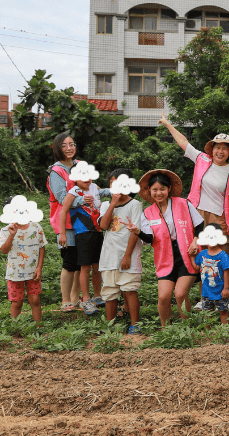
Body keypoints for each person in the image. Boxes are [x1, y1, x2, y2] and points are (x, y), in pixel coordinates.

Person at [134, 169, 204, 326]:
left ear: (169, 189)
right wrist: (137, 231)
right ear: (149, 191)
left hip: (187, 254)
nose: (159, 193)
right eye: (155, 190)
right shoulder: (147, 213)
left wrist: (195, 240)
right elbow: (149, 238)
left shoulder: (184, 203)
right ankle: (166, 329)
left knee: (180, 294)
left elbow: (200, 224)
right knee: (164, 297)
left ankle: (187, 327)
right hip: (164, 257)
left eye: (162, 189)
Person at [158, 114, 229, 234]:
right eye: (217, 147)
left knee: (219, 251)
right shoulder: (202, 159)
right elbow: (183, 142)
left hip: (219, 216)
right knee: (196, 250)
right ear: (212, 149)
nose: (220, 151)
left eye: (225, 148)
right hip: (197, 213)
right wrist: (167, 124)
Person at [98, 170, 147, 333]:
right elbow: (103, 226)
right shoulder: (105, 205)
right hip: (108, 257)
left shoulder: (135, 205)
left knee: (130, 289)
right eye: (113, 184)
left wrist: (127, 256)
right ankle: (111, 327)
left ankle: (135, 325)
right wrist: (112, 203)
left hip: (129, 256)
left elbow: (135, 231)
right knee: (109, 292)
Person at [58, 161, 108, 316]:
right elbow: (63, 211)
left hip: (98, 231)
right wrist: (63, 233)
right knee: (85, 267)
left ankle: (97, 295)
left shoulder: (95, 188)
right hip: (83, 234)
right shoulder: (73, 191)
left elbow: (107, 192)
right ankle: (85, 299)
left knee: (97, 266)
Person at [46, 132, 82, 312]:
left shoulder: (80, 166)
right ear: (58, 148)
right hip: (65, 224)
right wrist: (84, 199)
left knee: (80, 263)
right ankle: (65, 300)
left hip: (83, 221)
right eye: (65, 145)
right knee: (69, 262)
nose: (69, 148)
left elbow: (91, 186)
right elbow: (61, 198)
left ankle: (76, 298)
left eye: (72, 144)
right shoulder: (56, 172)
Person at [0, 197, 47, 323]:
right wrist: (12, 235)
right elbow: (4, 250)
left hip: (33, 271)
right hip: (14, 273)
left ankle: (38, 327)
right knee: (17, 302)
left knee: (35, 300)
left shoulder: (36, 227)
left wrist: (39, 267)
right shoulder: (5, 230)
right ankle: (15, 328)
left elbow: (41, 247)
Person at [194, 223, 229, 324]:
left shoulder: (222, 255)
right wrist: (191, 257)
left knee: (223, 312)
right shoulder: (202, 254)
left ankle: (226, 331)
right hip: (206, 291)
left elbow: (226, 272)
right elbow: (196, 267)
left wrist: (226, 288)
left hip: (220, 292)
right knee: (207, 313)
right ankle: (208, 333)